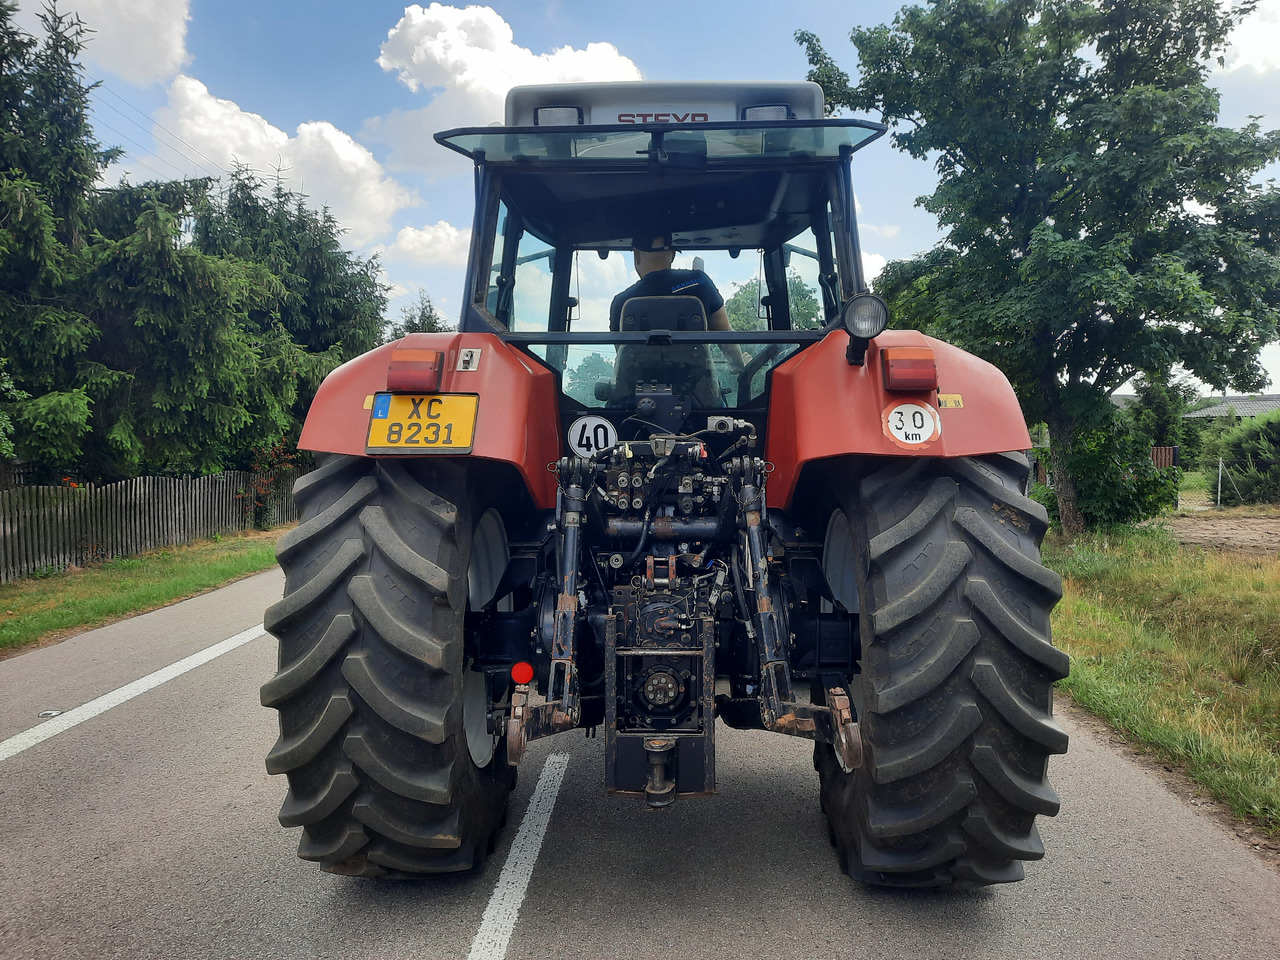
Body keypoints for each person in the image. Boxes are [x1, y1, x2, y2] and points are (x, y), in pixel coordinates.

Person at [609, 233, 747, 372]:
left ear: (636, 256)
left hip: (640, 390)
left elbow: (623, 356)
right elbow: (725, 334)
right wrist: (740, 365)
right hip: (698, 387)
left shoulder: (621, 302)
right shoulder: (700, 282)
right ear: (673, 255)